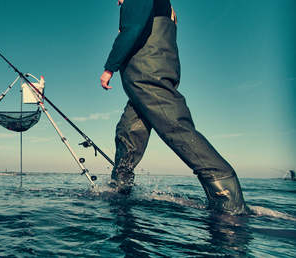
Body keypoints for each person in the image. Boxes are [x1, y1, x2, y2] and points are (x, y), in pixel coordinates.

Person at [100, 0, 251, 214]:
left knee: (173, 125)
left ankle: (226, 196)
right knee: (128, 130)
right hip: (150, 73)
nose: (117, 1)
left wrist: (109, 69)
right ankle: (119, 189)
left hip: (146, 74)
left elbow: (131, 29)